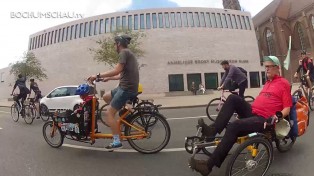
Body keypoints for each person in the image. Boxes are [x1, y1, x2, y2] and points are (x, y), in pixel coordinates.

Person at [189, 56, 292, 175]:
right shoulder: (268, 83)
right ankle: (213, 130)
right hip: (253, 112)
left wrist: (276, 117)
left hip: (263, 119)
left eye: (269, 66)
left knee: (234, 126)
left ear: (277, 68)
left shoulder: (283, 83)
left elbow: (287, 109)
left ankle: (208, 166)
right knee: (233, 98)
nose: (266, 69)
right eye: (266, 67)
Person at [88, 34, 139, 150]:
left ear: (119, 44)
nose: (114, 46)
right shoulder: (128, 53)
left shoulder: (123, 53)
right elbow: (121, 74)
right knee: (106, 97)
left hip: (126, 89)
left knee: (108, 113)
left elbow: (117, 70)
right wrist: (108, 78)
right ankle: (123, 114)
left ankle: (117, 141)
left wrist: (96, 75)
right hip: (125, 86)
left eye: (114, 44)